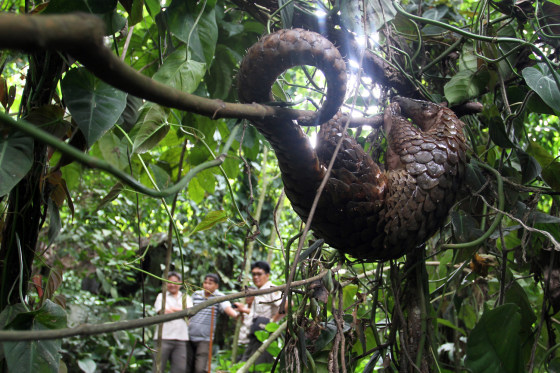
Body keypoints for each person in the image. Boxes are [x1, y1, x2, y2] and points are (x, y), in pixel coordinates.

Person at [186, 273, 240, 373]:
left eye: (210, 283)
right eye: (205, 282)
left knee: (200, 368)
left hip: (205, 338)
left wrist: (237, 316)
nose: (207, 285)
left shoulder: (218, 296)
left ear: (216, 286)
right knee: (187, 367)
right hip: (189, 336)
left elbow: (227, 309)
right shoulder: (196, 294)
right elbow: (187, 310)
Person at [241, 261, 286, 365]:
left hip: (265, 333)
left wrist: (273, 321)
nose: (256, 277)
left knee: (258, 364)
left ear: (267, 275)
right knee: (248, 363)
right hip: (255, 332)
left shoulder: (270, 289)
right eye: (254, 274)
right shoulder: (258, 291)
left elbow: (288, 304)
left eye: (259, 274)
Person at [153, 271, 191, 373]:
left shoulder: (186, 297)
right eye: (169, 282)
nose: (172, 285)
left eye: (175, 282)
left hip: (181, 338)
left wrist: (172, 309)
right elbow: (163, 312)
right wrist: (181, 311)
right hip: (163, 337)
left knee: (179, 369)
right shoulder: (161, 296)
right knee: (158, 368)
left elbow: (189, 313)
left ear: (180, 283)